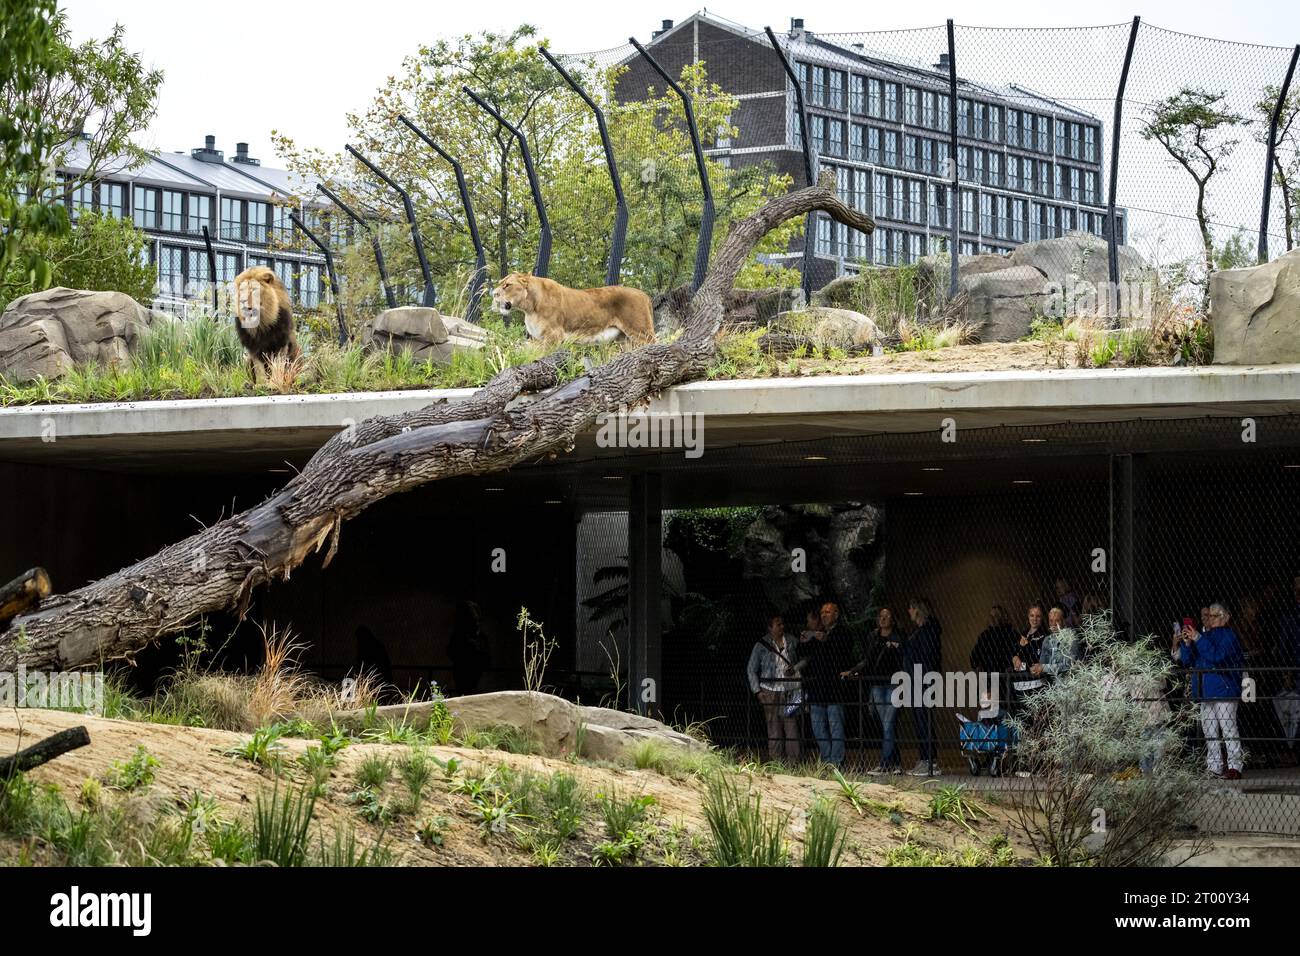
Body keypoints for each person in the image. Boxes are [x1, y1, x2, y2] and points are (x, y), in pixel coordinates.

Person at [1178, 602, 1246, 780]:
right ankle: (1214, 766)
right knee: (1210, 731)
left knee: (1228, 728)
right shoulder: (1206, 636)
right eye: (1210, 615)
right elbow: (1188, 661)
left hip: (1224, 688)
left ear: (1226, 617)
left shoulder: (1229, 635)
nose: (1211, 618)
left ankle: (1234, 766)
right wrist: (1186, 643)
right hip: (1205, 689)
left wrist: (1199, 639)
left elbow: (1217, 656)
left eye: (1215, 615)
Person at [842, 607, 905, 774]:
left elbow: (904, 660)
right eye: (881, 616)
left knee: (888, 725)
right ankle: (896, 764)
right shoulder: (872, 636)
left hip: (894, 684)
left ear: (893, 619)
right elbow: (868, 659)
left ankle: (885, 765)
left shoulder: (899, 637)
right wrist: (854, 670)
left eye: (887, 616)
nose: (883, 619)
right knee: (886, 726)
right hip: (876, 684)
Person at [801, 601, 856, 768]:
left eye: (828, 612)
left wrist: (825, 640)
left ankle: (836, 762)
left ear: (836, 614)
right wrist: (805, 641)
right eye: (822, 612)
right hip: (817, 689)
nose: (824, 615)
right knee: (818, 730)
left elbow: (842, 655)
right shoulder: (817, 634)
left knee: (836, 728)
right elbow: (805, 655)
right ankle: (827, 760)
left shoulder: (843, 633)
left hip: (834, 690)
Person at [746, 613, 802, 762]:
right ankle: (777, 762)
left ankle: (793, 763)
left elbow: (804, 658)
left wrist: (795, 668)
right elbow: (751, 668)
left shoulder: (792, 641)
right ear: (770, 627)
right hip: (769, 690)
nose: (782, 627)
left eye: (782, 624)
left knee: (791, 729)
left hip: (790, 689)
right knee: (773, 728)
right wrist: (757, 691)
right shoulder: (761, 645)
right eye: (778, 624)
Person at [905, 597, 943, 776]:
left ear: (917, 610)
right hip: (916, 679)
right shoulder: (921, 630)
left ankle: (929, 760)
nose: (909, 612)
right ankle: (925, 759)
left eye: (911, 609)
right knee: (920, 719)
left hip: (924, 679)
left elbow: (927, 656)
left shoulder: (929, 630)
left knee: (924, 718)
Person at [448, 599, 490, 695]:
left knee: (469, 690)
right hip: (464, 666)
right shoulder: (460, 634)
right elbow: (451, 651)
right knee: (464, 691)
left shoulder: (478, 635)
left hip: (472, 666)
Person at [971, 605, 1018, 678]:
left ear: (1003, 617)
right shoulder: (985, 635)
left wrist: (1012, 667)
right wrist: (977, 667)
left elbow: (1019, 654)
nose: (992, 619)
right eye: (991, 616)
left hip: (1006, 676)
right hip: (988, 675)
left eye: (996, 616)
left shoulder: (1011, 634)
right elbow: (974, 655)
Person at [1040, 604, 1080, 678]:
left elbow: (1069, 664)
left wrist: (1044, 668)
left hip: (1069, 680)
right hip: (1051, 682)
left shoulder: (1071, 637)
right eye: (1051, 621)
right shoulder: (1047, 640)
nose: (1054, 624)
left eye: (1057, 620)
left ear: (1063, 621)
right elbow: (1042, 663)